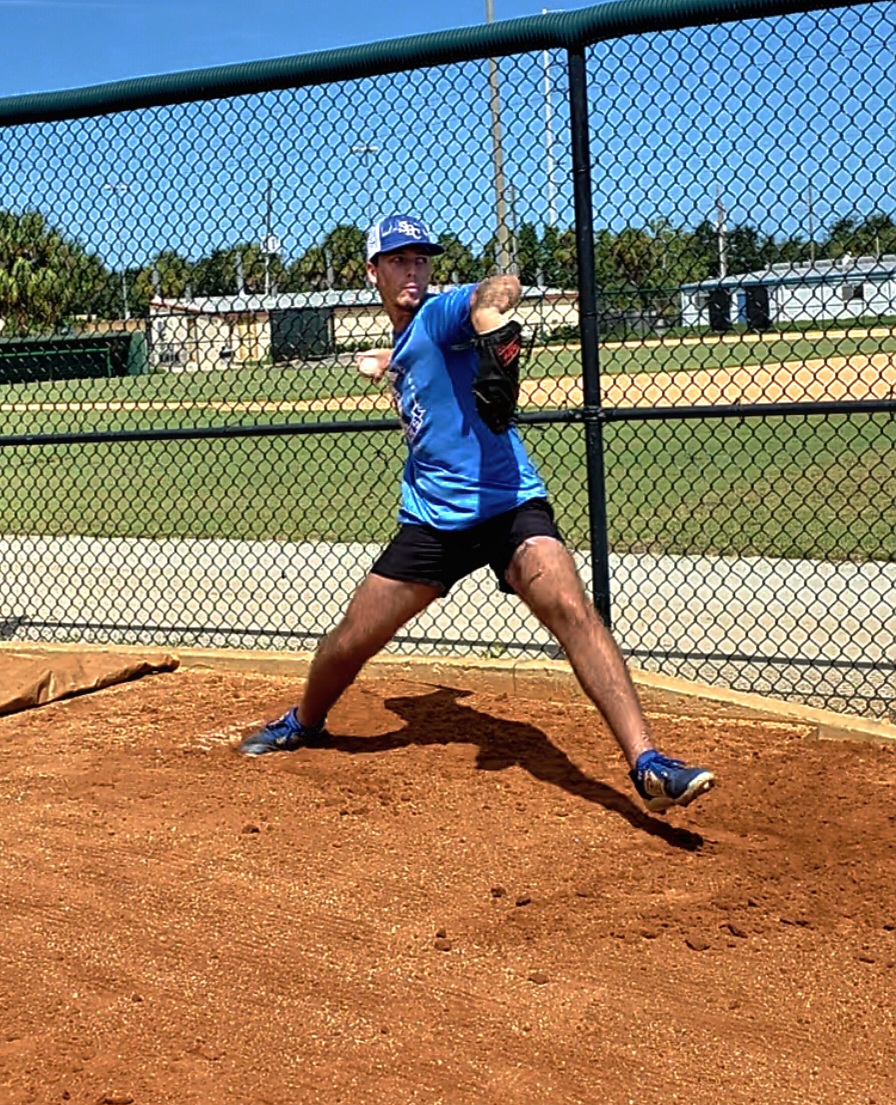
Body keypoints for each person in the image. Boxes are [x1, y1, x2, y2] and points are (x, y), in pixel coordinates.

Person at [239, 214, 714, 814]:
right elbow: (419, 358)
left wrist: (497, 337)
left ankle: (648, 762)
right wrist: (385, 362)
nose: (413, 270)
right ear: (373, 272)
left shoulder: (441, 316)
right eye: (398, 260)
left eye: (421, 260)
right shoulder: (411, 343)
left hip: (509, 505)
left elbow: (500, 288)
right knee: (348, 642)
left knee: (571, 607)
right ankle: (305, 722)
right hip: (433, 522)